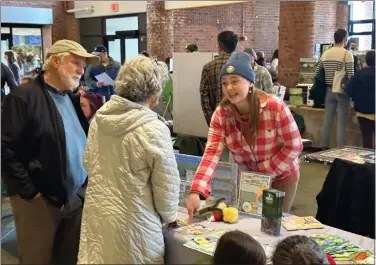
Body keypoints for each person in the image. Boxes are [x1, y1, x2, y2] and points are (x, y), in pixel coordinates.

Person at [1, 39, 99, 264]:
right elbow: (5, 148)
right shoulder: (23, 97)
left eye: (83, 65)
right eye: (75, 63)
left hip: (73, 196)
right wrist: (29, 190)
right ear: (55, 61)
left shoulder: (70, 98)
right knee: (38, 257)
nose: (81, 71)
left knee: (68, 259)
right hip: (40, 201)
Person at [78, 55, 180, 264]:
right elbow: (166, 190)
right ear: (152, 94)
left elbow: (88, 162)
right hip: (136, 226)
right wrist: (170, 217)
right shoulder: (153, 128)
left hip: (98, 217)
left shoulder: (99, 118)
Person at [186, 52, 303, 222]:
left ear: (250, 83)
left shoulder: (275, 107)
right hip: (249, 182)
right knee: (250, 223)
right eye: (225, 83)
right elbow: (211, 153)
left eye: (235, 81)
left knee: (274, 225)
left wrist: (264, 171)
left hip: (282, 178)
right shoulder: (221, 115)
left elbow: (294, 146)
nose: (229, 88)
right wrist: (197, 191)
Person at [314, 29, 354, 148]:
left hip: (328, 90)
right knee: (341, 124)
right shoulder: (347, 54)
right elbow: (351, 75)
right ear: (344, 39)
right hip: (342, 92)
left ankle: (323, 147)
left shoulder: (325, 53)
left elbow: (316, 73)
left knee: (327, 122)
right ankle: (339, 151)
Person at [200, 31, 239, 126]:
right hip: (240, 121)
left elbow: (204, 97)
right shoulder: (243, 67)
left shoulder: (208, 67)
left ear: (219, 46)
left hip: (218, 119)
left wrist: (211, 121)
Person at [348, 50, 375, 149]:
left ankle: (367, 162)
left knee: (366, 137)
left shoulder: (358, 74)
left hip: (362, 112)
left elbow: (350, 91)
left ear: (366, 61)